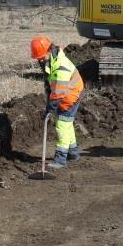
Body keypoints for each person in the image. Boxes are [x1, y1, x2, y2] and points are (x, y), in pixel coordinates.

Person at [30, 35, 84, 169]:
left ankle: (60, 159)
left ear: (49, 50)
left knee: (62, 124)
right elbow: (51, 85)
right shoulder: (51, 59)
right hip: (69, 90)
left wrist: (49, 109)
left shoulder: (61, 66)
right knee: (67, 123)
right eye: (38, 58)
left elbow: (59, 92)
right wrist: (49, 94)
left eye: (41, 57)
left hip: (71, 94)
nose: (40, 60)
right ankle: (73, 152)